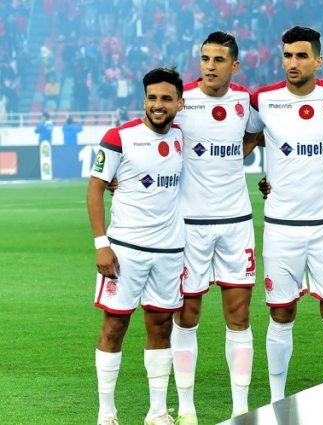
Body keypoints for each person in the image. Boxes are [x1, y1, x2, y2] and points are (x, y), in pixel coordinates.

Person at [248, 26, 323, 402]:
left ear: (318, 60)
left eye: (302, 56)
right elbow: (247, 140)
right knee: (281, 313)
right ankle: (277, 399)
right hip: (281, 227)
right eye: (288, 56)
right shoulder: (263, 100)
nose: (293, 63)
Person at [170, 31, 263, 422]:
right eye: (205, 58)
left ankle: (240, 408)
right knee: (186, 315)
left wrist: (237, 156)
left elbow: (257, 133)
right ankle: (186, 408)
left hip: (236, 222)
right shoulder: (181, 102)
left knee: (238, 316)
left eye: (219, 60)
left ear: (234, 65)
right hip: (189, 225)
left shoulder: (245, 102)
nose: (210, 66)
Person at [88, 67, 186, 425]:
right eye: (152, 98)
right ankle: (106, 413)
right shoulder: (120, 137)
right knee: (115, 325)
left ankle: (157, 411)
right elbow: (95, 188)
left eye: (166, 99)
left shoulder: (182, 136)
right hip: (125, 250)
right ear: (144, 100)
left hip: (170, 250)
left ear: (179, 103)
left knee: (161, 325)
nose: (158, 105)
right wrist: (102, 244)